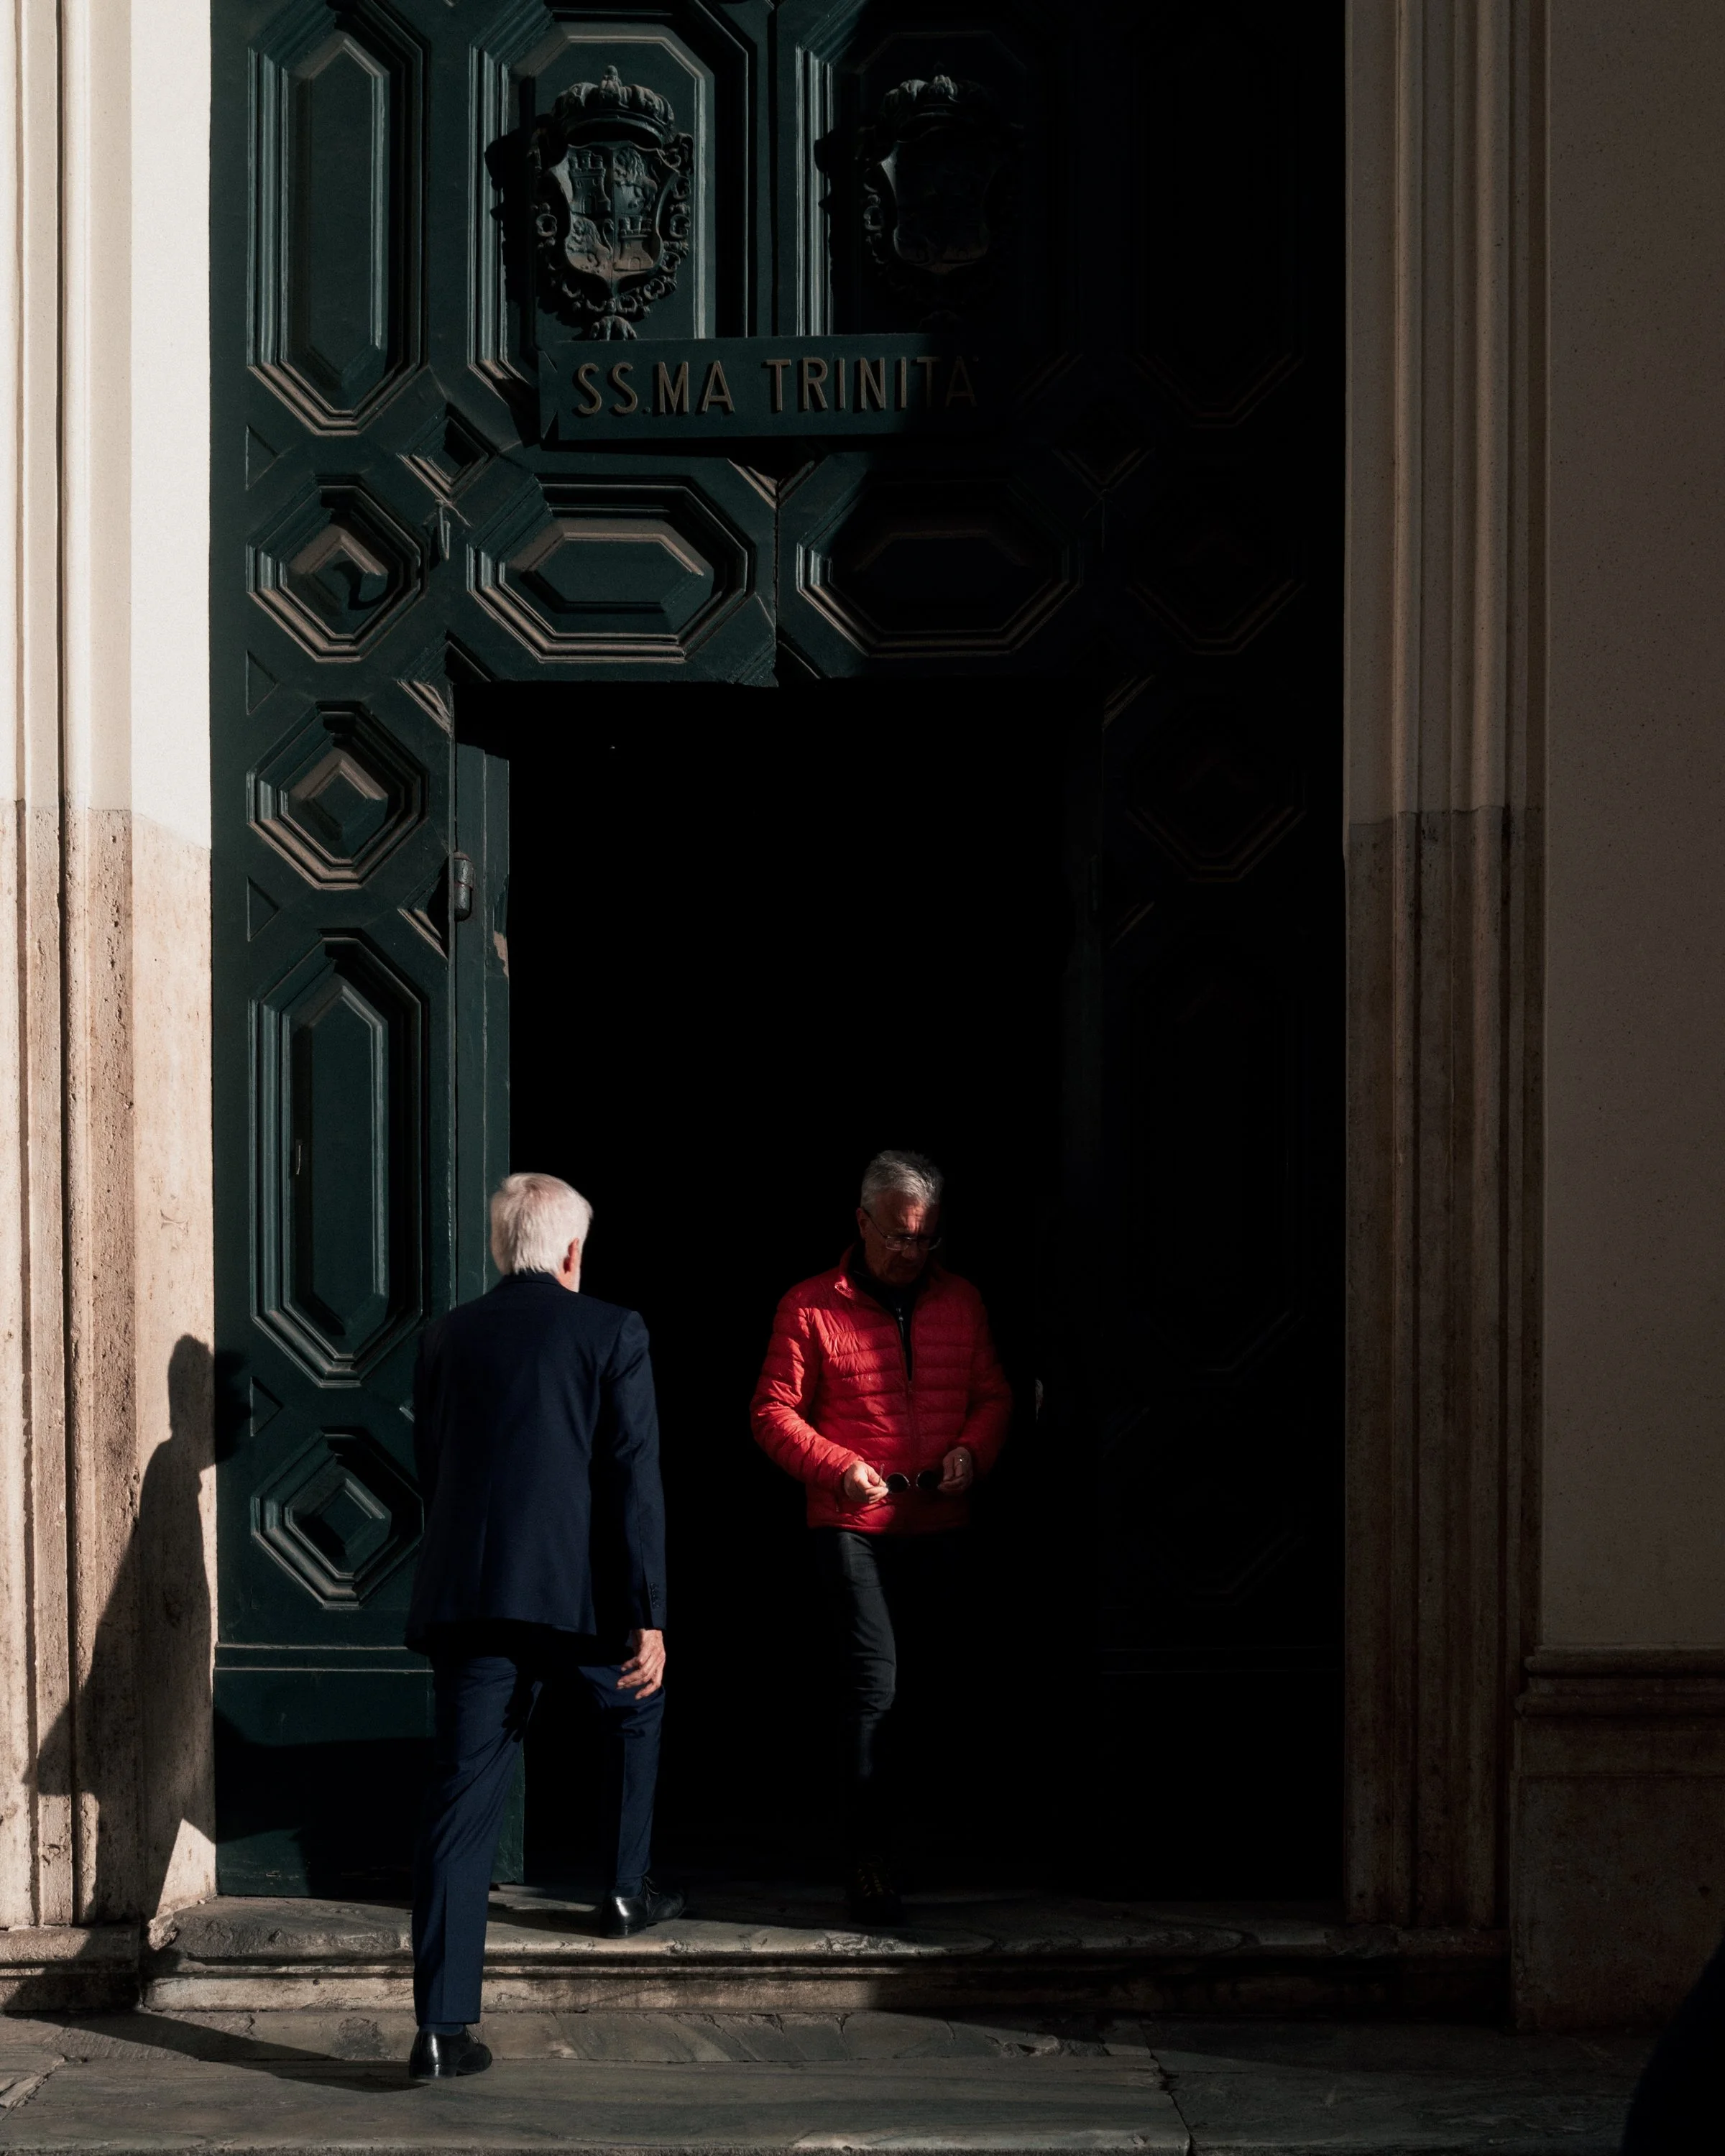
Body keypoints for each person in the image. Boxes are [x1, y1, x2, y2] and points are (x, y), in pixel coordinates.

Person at [402, 1171, 681, 2083]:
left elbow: (433, 1466)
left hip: (474, 1600)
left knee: (461, 1807)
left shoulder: (446, 1336)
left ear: (499, 1250)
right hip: (579, 1602)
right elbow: (634, 1479)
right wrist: (646, 1614)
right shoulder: (613, 1330)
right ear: (571, 1252)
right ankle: (624, 1888)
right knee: (638, 1701)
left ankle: (441, 2031)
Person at [750, 1148, 1013, 1924]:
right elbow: (770, 1411)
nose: (912, 1253)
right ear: (862, 1223)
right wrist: (839, 1468)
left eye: (926, 1239)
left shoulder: (961, 1301)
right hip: (854, 1524)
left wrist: (974, 1449)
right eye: (899, 1236)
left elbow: (994, 1395)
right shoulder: (809, 1305)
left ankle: (930, 1841)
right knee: (876, 1685)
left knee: (936, 1689)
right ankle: (867, 1861)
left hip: (941, 1523)